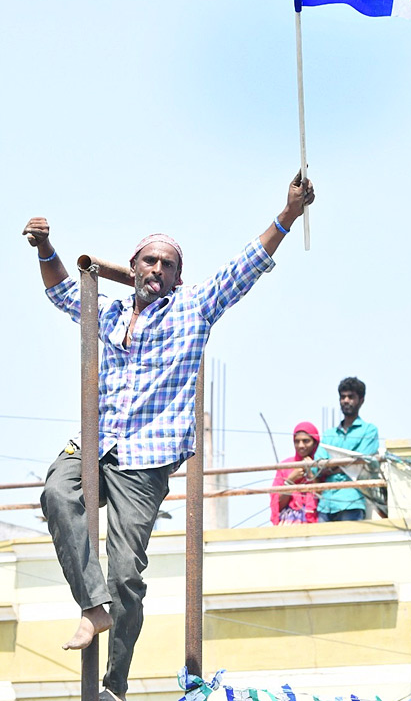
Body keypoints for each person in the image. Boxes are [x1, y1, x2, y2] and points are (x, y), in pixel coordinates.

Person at [22, 172, 314, 701]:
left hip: (146, 458)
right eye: (148, 261)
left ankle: (114, 681)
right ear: (132, 268)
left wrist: (288, 214)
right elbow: (63, 291)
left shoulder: (191, 309)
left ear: (179, 276)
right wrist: (45, 248)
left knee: (127, 573)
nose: (157, 269)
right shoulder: (105, 310)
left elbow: (244, 268)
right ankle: (92, 608)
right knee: (54, 493)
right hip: (96, 442)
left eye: (167, 264)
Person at [315, 376, 379, 522]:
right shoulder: (329, 434)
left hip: (351, 500)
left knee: (347, 543)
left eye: (351, 397)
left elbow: (361, 461)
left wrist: (331, 465)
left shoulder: (369, 430)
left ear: (361, 400)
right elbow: (317, 466)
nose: (346, 400)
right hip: (326, 503)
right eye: (342, 397)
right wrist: (345, 464)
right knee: (322, 544)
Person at [270, 422, 320, 525]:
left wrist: (311, 474)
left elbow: (326, 497)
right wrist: (290, 480)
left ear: (315, 443)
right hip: (289, 522)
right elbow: (277, 505)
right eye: (297, 441)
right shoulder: (285, 466)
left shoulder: (322, 464)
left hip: (317, 520)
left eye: (306, 441)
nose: (301, 445)